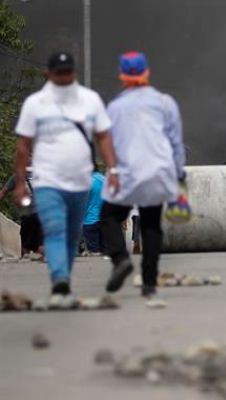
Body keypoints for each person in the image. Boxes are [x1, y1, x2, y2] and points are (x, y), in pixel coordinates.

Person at [13, 52, 119, 295]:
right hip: (47, 180)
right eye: (59, 73)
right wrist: (20, 183)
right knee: (54, 227)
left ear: (74, 73)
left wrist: (113, 169)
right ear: (48, 74)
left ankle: (64, 275)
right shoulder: (35, 104)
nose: (63, 77)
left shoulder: (90, 101)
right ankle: (59, 278)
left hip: (80, 181)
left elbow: (103, 137)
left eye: (68, 72)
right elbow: (22, 146)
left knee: (72, 232)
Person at [100, 52, 186, 299]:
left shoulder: (115, 107)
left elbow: (110, 144)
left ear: (122, 76)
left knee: (109, 217)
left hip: (127, 172)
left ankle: (120, 259)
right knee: (151, 226)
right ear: (147, 73)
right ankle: (149, 283)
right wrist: (178, 174)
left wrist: (112, 169)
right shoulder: (165, 102)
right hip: (158, 172)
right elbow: (176, 143)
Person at [0, 168, 43, 256]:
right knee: (34, 243)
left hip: (34, 214)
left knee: (33, 244)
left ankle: (32, 258)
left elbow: (3, 192)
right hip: (34, 214)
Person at [82, 171, 106, 255]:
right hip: (104, 219)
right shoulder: (103, 179)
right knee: (104, 251)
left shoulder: (86, 181)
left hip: (90, 220)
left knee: (94, 252)